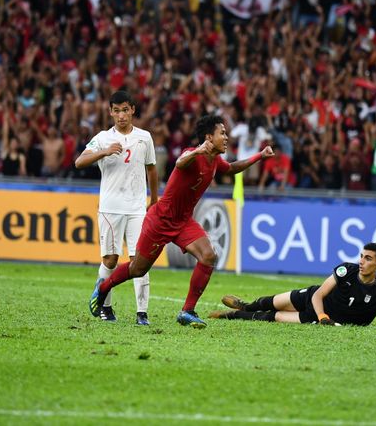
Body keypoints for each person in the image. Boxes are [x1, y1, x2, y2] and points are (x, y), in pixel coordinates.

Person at [89, 114, 274, 328]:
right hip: (160, 220)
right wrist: (197, 150)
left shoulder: (215, 161)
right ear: (208, 137)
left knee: (208, 255)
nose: (226, 137)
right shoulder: (192, 154)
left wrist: (259, 155)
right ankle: (103, 288)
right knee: (138, 269)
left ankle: (187, 310)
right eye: (222, 133)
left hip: (183, 222)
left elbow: (232, 168)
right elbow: (180, 162)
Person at [75, 91, 159, 325]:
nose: (121, 115)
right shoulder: (102, 138)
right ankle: (106, 307)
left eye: (125, 109)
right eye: (116, 110)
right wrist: (103, 151)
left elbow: (151, 169)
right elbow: (79, 162)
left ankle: (142, 313)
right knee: (111, 260)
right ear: (110, 112)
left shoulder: (144, 137)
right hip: (110, 208)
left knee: (139, 261)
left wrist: (154, 200)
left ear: (133, 110)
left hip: (136, 208)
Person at [210, 242, 376, 329]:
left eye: (368, 259)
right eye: (361, 256)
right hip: (313, 300)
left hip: (316, 318)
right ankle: (245, 305)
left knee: (273, 317)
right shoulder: (346, 270)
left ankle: (231, 315)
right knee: (271, 302)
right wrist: (322, 316)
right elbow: (319, 295)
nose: (361, 261)